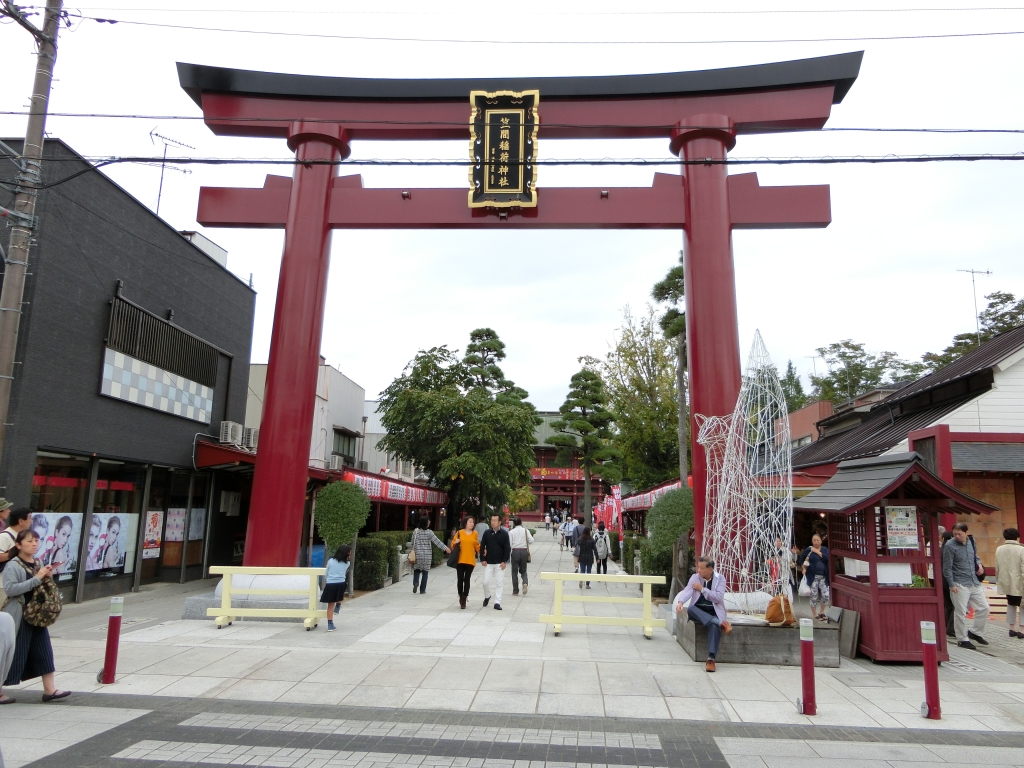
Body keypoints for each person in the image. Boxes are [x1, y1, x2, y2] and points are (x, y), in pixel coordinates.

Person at [1, 529, 70, 702]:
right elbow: (10, 589)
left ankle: (50, 689)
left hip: (37, 615)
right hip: (20, 615)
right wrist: (37, 578)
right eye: (29, 541)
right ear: (18, 545)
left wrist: (47, 576)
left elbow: (41, 587)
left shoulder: (37, 562)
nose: (34, 544)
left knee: (44, 650)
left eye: (36, 541)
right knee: (11, 652)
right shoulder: (13, 565)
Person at [674, 555, 731, 672]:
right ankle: (721, 623)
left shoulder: (720, 579)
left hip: (713, 610)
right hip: (699, 610)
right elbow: (688, 590)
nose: (699, 570)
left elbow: (718, 597)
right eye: (698, 567)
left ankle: (710, 659)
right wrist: (680, 602)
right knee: (690, 609)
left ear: (710, 569)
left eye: (702, 568)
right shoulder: (695, 577)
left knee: (713, 626)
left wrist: (702, 589)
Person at [943, 522, 989, 650]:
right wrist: (951, 584)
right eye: (955, 534)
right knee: (960, 612)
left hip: (974, 581)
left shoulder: (971, 541)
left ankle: (975, 632)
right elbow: (947, 567)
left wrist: (979, 564)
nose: (957, 536)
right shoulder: (950, 546)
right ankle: (962, 638)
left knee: (984, 607)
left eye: (959, 534)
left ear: (966, 533)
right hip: (959, 582)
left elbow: (974, 556)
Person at [995, 527, 1024, 639]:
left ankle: (1012, 628)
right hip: (1019, 582)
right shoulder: (1021, 550)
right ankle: (1022, 630)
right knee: (1022, 606)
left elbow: (997, 567)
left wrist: (999, 580)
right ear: (1017, 537)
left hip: (1006, 581)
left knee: (1011, 604)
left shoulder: (999, 549)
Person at [410, 517, 450, 594]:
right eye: (428, 521)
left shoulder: (416, 531)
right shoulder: (429, 532)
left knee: (416, 570)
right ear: (425, 523)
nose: (429, 522)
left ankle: (415, 583)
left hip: (417, 555)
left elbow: (412, 543)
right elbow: (437, 542)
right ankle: (422, 590)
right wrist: (446, 548)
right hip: (427, 556)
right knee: (425, 572)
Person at [480, 514, 510, 610]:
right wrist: (483, 559)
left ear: (499, 522)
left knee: (499, 583)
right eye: (492, 520)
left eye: (495, 520)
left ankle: (497, 602)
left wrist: (504, 561)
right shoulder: (487, 533)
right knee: (485, 582)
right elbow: (482, 546)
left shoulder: (504, 534)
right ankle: (487, 595)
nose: (492, 522)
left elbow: (507, 548)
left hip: (499, 563)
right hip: (489, 562)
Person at [450, 517, 480, 609]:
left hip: (470, 560)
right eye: (470, 522)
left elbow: (477, 546)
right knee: (460, 579)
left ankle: (464, 598)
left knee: (467, 579)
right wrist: (455, 542)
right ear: (465, 523)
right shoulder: (459, 533)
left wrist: (483, 550)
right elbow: (452, 545)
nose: (472, 524)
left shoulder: (475, 534)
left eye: (473, 522)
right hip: (460, 560)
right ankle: (460, 594)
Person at [800, 533, 831, 621]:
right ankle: (814, 614)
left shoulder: (825, 549)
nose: (816, 542)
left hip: (823, 576)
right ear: (812, 541)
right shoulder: (808, 549)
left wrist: (817, 551)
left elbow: (827, 558)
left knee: (826, 595)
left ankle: (822, 611)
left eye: (818, 540)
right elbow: (801, 559)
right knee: (814, 595)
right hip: (812, 575)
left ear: (821, 541)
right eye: (814, 540)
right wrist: (804, 568)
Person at [320, 545, 350, 632]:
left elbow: (326, 573)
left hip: (330, 584)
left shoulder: (330, 561)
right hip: (340, 583)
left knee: (330, 605)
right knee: (340, 595)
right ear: (346, 554)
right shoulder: (347, 563)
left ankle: (330, 624)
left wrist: (328, 579)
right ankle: (338, 606)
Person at [508, 517, 534, 596]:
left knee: (514, 572)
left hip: (515, 551)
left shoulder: (511, 532)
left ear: (514, 523)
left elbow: (509, 544)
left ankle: (515, 590)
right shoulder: (526, 531)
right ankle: (525, 582)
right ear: (521, 523)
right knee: (523, 570)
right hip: (523, 551)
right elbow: (531, 540)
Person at [940, 530, 956, 637]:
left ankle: (946, 625)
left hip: (941, 578)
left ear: (942, 538)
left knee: (947, 604)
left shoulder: (940, 549)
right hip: (952, 580)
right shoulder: (952, 549)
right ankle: (951, 628)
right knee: (956, 605)